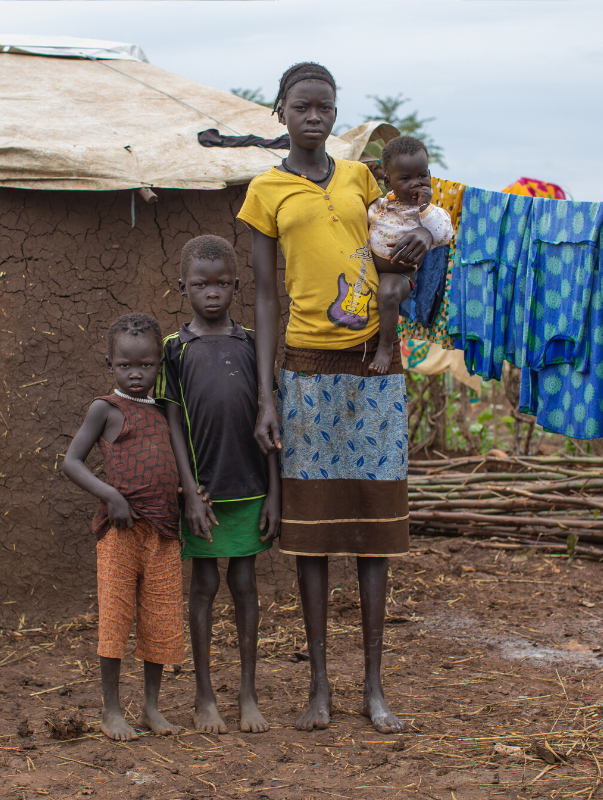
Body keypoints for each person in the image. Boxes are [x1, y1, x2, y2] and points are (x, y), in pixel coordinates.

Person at [238, 62, 432, 734]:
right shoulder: (265, 191)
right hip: (306, 369)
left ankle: (374, 686)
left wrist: (399, 290)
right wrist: (267, 392)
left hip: (374, 367)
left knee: (375, 535)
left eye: (325, 106)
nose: (314, 117)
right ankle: (320, 687)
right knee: (313, 538)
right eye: (302, 106)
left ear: (334, 112)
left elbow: (400, 240)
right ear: (281, 111)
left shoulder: (360, 178)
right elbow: (265, 295)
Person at [157, 234, 281, 735]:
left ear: (236, 285)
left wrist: (275, 492)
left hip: (250, 487)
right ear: (182, 286)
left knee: (245, 583)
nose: (212, 292)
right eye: (200, 283)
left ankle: (248, 694)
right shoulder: (174, 349)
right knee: (205, 584)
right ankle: (204, 696)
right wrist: (187, 491)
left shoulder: (253, 343)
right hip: (202, 494)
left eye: (222, 283)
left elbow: (272, 424)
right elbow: (172, 424)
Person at [62, 313, 183, 742]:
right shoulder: (105, 408)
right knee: (115, 619)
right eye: (125, 366)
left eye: (146, 365)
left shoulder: (166, 411)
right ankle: (111, 709)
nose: (136, 374)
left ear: (159, 365)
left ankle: (152, 707)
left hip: (164, 533)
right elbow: (71, 462)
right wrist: (112, 496)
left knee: (161, 620)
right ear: (110, 364)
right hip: (120, 533)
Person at [365, 136, 455, 374]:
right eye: (406, 179)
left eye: (422, 176)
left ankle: (385, 348)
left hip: (400, 273)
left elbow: (444, 234)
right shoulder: (379, 205)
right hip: (369, 268)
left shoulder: (430, 213)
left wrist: (425, 210)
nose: (417, 184)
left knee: (388, 293)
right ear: (388, 182)